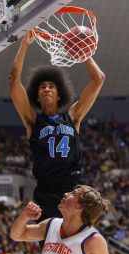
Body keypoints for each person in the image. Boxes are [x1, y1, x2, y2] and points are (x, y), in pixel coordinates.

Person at [9, 31, 105, 220]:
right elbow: (14, 82)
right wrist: (24, 46)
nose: (46, 88)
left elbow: (99, 79)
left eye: (51, 86)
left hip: (75, 185)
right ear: (37, 96)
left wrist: (83, 51)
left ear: (59, 94)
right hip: (47, 188)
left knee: (79, 241)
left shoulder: (73, 116)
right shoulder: (33, 121)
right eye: (42, 86)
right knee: (49, 243)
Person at [10, 185, 118, 254]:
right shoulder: (51, 224)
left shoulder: (92, 239)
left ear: (80, 206)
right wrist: (24, 216)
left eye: (73, 193)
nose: (66, 193)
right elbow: (16, 235)